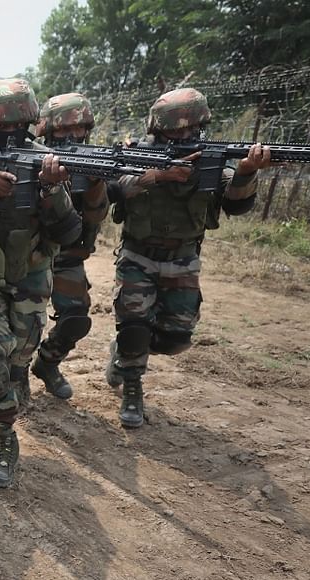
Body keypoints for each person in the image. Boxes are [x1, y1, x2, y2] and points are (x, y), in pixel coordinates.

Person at [106, 87, 269, 427]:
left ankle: (122, 353)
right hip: (137, 255)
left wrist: (246, 171)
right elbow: (116, 187)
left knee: (175, 339)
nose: (185, 135)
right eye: (175, 130)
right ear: (158, 129)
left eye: (191, 129)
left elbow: (236, 203)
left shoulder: (209, 158)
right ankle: (132, 388)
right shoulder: (137, 153)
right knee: (135, 327)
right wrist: (160, 175)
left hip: (183, 258)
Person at [0, 78, 81, 488]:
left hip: (31, 276)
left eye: (15, 128)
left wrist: (51, 191)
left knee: (16, 358)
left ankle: (18, 379)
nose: (7, 135)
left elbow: (67, 232)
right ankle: (7, 441)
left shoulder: (46, 160)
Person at [31, 92, 110, 400]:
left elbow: (97, 215)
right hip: (29, 256)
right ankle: (9, 380)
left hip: (67, 257)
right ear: (48, 131)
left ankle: (47, 363)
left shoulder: (92, 160)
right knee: (20, 325)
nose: (73, 136)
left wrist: (95, 182)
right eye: (64, 130)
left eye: (79, 129)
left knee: (77, 318)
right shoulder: (29, 157)